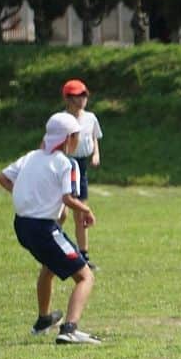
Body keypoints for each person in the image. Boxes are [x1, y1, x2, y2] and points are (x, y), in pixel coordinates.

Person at [0, 112, 101, 345]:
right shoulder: (67, 163)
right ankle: (70, 329)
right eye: (76, 136)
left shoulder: (31, 156)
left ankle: (44, 319)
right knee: (85, 277)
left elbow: (2, 177)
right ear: (68, 139)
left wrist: (27, 196)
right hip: (44, 229)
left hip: (22, 226)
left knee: (50, 265)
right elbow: (67, 198)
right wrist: (86, 210)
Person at [61, 79, 103, 270]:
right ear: (68, 99)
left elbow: (94, 137)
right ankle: (56, 249)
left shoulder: (91, 118)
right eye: (79, 95)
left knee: (81, 213)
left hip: (81, 166)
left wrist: (95, 154)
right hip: (64, 164)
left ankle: (83, 256)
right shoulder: (61, 119)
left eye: (85, 94)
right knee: (61, 213)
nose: (83, 98)